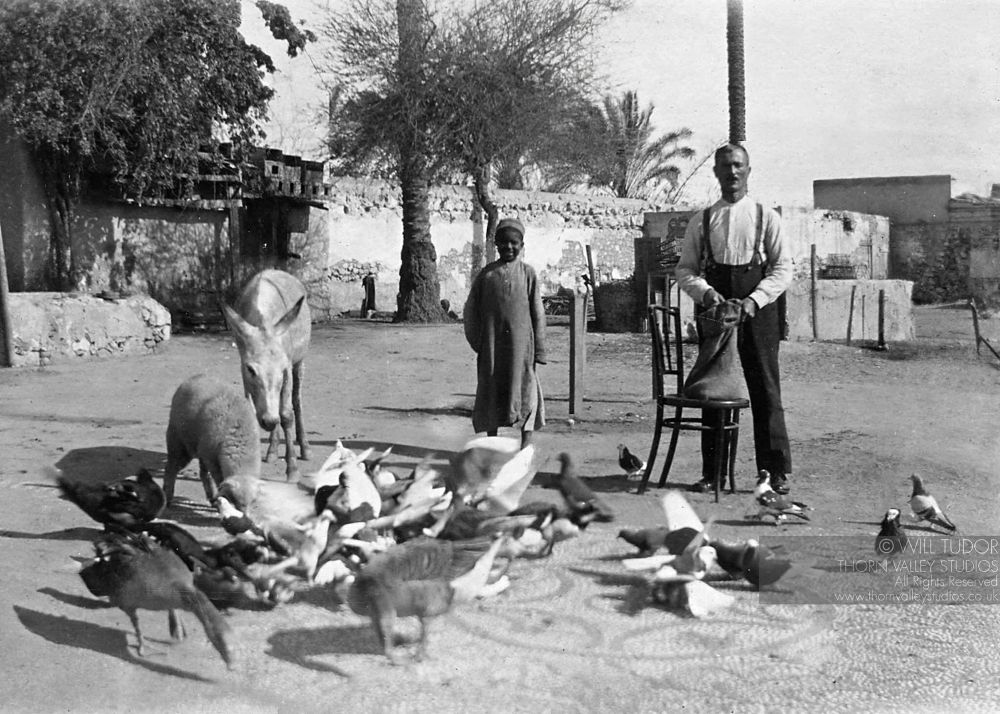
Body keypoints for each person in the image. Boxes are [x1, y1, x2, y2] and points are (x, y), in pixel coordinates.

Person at [675, 143, 794, 494]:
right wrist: (707, 294)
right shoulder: (703, 220)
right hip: (717, 310)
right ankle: (713, 473)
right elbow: (685, 269)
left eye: (739, 165)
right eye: (725, 166)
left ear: (748, 171)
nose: (732, 173)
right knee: (715, 388)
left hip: (757, 311)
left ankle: (774, 471)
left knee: (766, 387)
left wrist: (754, 301)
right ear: (715, 172)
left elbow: (783, 268)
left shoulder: (766, 217)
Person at [463, 217, 547, 448]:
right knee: (493, 389)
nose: (508, 247)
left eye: (514, 243)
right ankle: (493, 443)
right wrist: (479, 342)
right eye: (503, 243)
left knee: (525, 391)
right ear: (496, 245)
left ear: (522, 245)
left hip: (522, 349)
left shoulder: (528, 274)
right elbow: (470, 311)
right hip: (492, 348)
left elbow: (538, 313)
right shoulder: (486, 275)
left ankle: (525, 445)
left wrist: (539, 349)